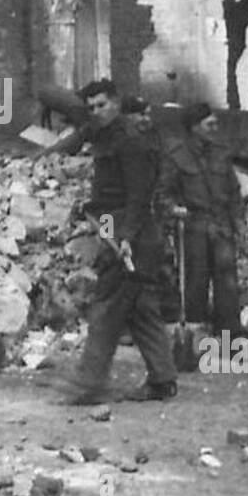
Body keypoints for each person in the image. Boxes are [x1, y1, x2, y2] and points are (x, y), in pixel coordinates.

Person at [60, 79, 178, 404]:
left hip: (130, 231)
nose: (97, 112)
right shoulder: (110, 136)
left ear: (116, 102)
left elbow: (139, 194)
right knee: (141, 309)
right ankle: (162, 379)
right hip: (119, 225)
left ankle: (88, 386)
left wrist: (124, 237)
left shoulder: (130, 141)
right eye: (92, 107)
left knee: (106, 307)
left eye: (102, 104)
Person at [163, 102, 243, 340]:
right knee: (195, 282)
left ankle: (230, 339)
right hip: (192, 226)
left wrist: (238, 220)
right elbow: (163, 191)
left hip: (221, 225)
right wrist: (173, 208)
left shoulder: (221, 153)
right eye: (209, 124)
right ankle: (196, 339)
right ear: (194, 127)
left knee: (227, 283)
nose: (214, 127)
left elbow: (234, 190)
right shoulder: (176, 155)